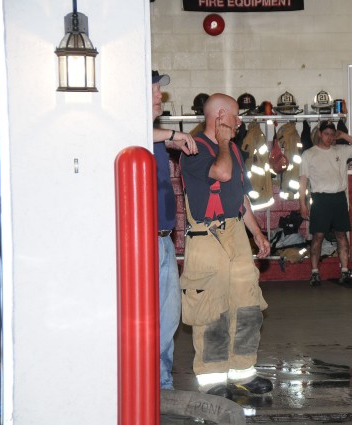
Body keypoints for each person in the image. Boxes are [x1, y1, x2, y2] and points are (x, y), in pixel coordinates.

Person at [179, 93, 272, 400]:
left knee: (247, 306)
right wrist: (221, 142)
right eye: (235, 117)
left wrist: (257, 235)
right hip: (207, 238)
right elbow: (222, 173)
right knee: (212, 312)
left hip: (235, 233)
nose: (240, 122)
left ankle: (244, 371)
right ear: (220, 118)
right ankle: (213, 379)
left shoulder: (232, 147)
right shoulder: (192, 150)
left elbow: (241, 196)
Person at [151, 70, 198, 390]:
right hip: (144, 241)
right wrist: (170, 136)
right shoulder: (131, 129)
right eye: (153, 90)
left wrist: (168, 137)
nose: (160, 96)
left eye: (159, 90)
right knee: (153, 317)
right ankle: (155, 381)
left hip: (164, 238)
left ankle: (162, 381)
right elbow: (126, 128)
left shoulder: (153, 134)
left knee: (169, 317)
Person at [298, 121, 352, 286]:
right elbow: (303, 180)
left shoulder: (341, 151)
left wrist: (343, 135)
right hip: (320, 199)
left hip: (338, 198)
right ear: (320, 134)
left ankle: (344, 272)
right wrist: (302, 203)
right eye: (326, 134)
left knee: (341, 235)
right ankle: (315, 273)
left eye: (332, 134)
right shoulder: (309, 154)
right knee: (318, 236)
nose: (329, 137)